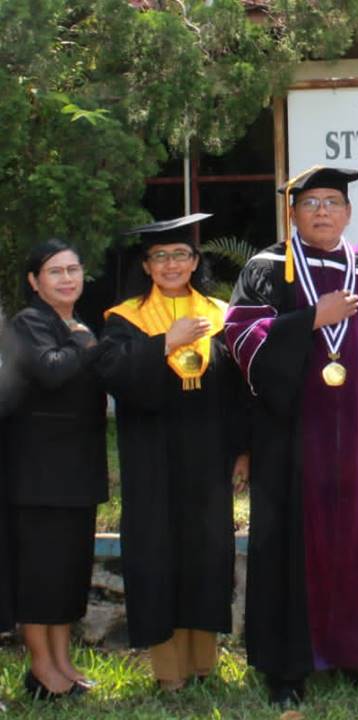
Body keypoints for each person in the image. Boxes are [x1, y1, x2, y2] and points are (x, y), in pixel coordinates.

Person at [225, 166, 358, 706]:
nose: (323, 211)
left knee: (356, 539)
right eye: (311, 203)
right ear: (293, 213)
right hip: (289, 437)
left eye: (333, 202)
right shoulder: (268, 269)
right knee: (290, 542)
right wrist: (311, 318)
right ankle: (287, 667)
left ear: (348, 213)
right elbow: (239, 339)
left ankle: (350, 653)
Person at [97, 214, 248, 691]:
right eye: (159, 256)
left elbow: (240, 391)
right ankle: (168, 672)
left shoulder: (221, 314)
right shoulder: (125, 319)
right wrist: (166, 343)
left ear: (195, 261)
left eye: (180, 254)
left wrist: (243, 450)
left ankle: (204, 664)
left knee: (206, 552)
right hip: (152, 455)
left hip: (209, 454)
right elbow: (114, 374)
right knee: (157, 554)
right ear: (145, 265)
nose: (170, 264)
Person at [0, 239, 107, 698]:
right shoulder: (28, 323)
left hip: (76, 470)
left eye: (73, 269)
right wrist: (85, 344)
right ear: (34, 281)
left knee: (67, 573)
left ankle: (64, 662)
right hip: (39, 474)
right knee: (40, 576)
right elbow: (51, 369)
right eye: (55, 271)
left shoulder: (77, 322)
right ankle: (42, 668)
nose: (67, 279)